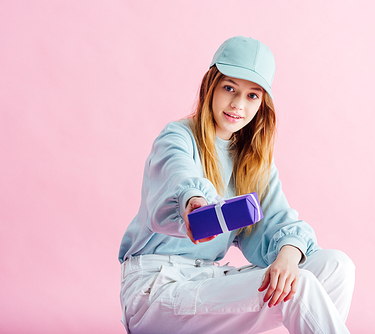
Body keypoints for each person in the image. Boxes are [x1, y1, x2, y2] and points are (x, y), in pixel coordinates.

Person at [119, 36, 355, 334]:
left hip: (208, 281)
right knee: (302, 285)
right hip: (156, 289)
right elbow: (179, 177)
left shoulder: (252, 163)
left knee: (336, 266)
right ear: (211, 86)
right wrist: (195, 205)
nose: (237, 105)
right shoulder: (178, 137)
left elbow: (281, 223)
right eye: (229, 88)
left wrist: (288, 254)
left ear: (262, 103)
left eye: (252, 96)